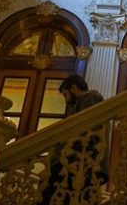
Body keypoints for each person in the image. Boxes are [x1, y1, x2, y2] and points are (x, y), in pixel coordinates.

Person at [41, 74, 109, 204]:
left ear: (73, 88)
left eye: (65, 94)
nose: (66, 101)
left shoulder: (89, 97)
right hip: (79, 163)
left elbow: (86, 130)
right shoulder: (82, 101)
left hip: (79, 163)